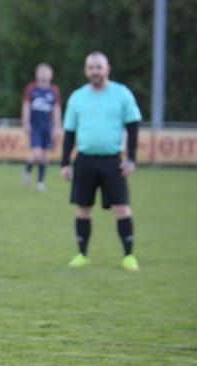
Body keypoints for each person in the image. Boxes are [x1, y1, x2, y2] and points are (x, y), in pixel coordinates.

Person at [60, 51, 141, 271]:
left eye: (99, 67)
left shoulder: (122, 94)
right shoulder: (77, 97)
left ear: (107, 69)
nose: (95, 71)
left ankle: (128, 256)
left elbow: (133, 127)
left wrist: (131, 159)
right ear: (86, 71)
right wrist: (64, 163)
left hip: (112, 161)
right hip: (84, 160)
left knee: (122, 208)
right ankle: (81, 254)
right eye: (91, 67)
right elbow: (69, 132)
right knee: (83, 208)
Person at [21, 63, 62, 191]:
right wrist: (26, 123)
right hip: (35, 127)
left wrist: (57, 126)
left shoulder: (54, 91)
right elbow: (26, 106)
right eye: (41, 72)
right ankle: (27, 172)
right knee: (37, 154)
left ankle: (40, 182)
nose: (44, 74)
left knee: (44, 156)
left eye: (46, 72)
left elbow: (56, 109)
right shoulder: (31, 89)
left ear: (51, 75)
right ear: (37, 74)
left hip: (47, 128)